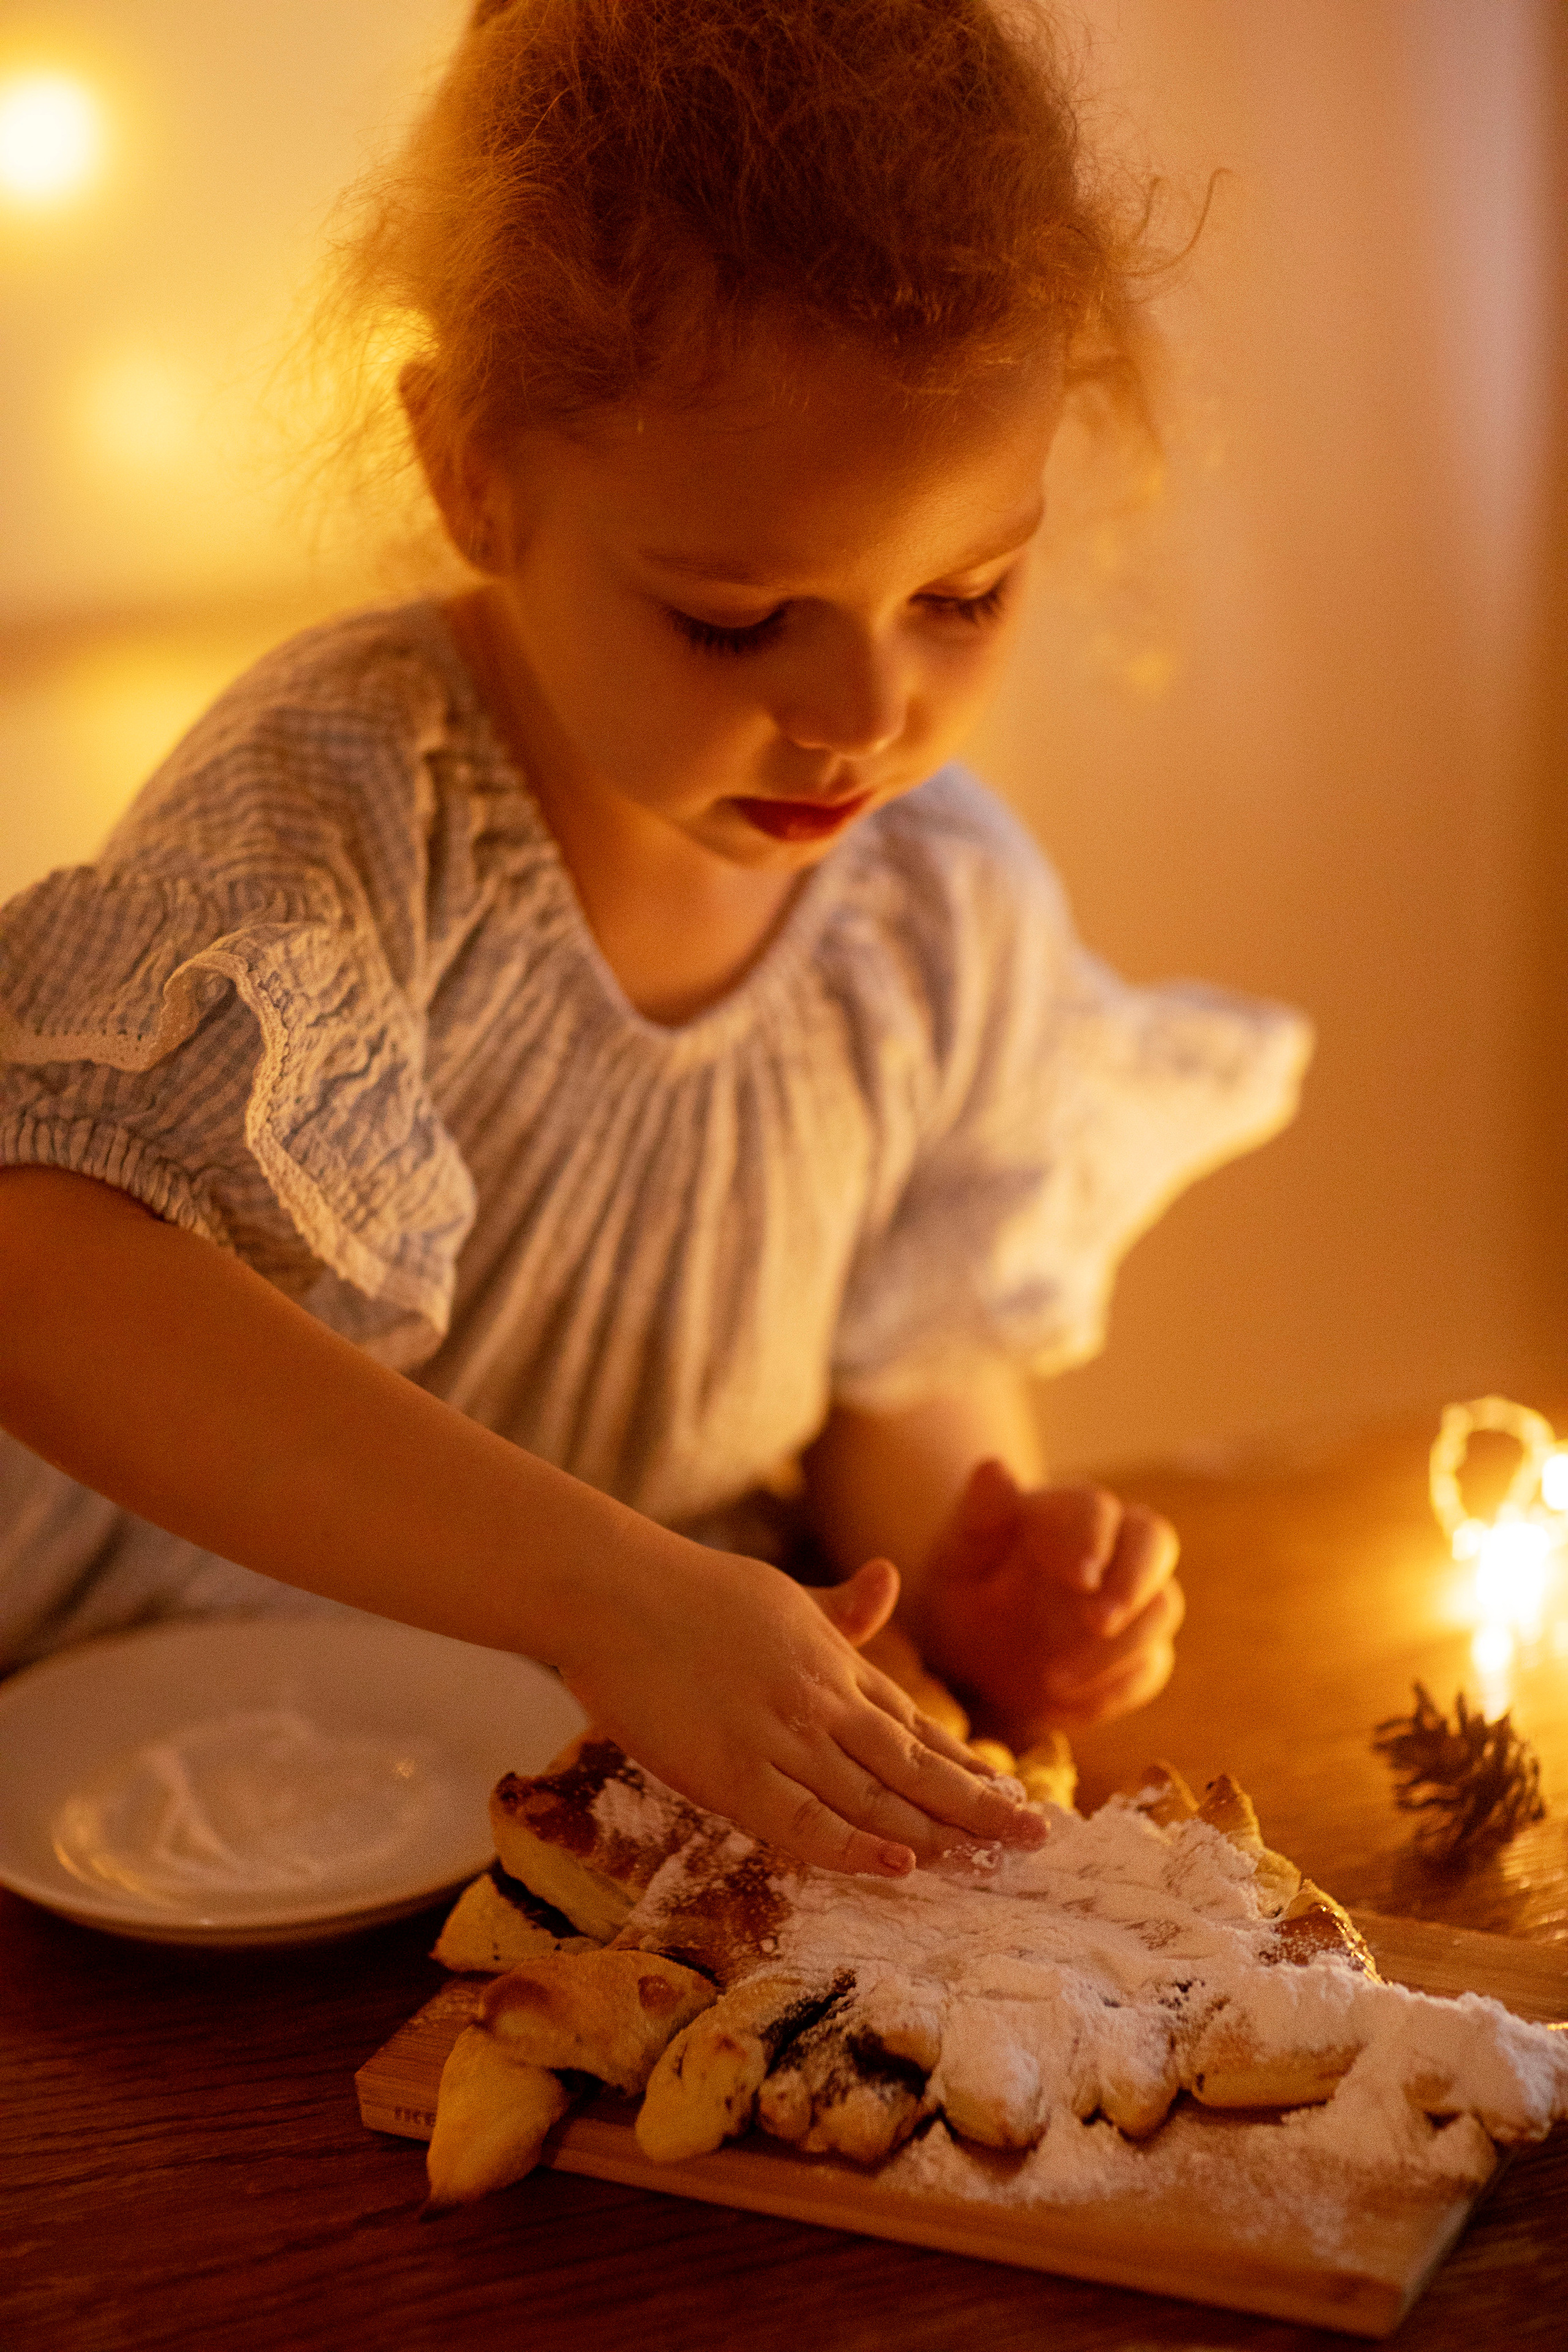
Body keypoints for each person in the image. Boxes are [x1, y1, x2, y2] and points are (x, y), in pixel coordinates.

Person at [0, 0, 1307, 1879]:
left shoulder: (940, 914)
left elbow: (898, 1391)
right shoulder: (359, 807)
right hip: (165, 1801)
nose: (864, 709)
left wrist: (972, 1579)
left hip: (616, 1836)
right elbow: (41, 1269)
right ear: (472, 474)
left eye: (962, 592)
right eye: (732, 618)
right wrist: (602, 1589)